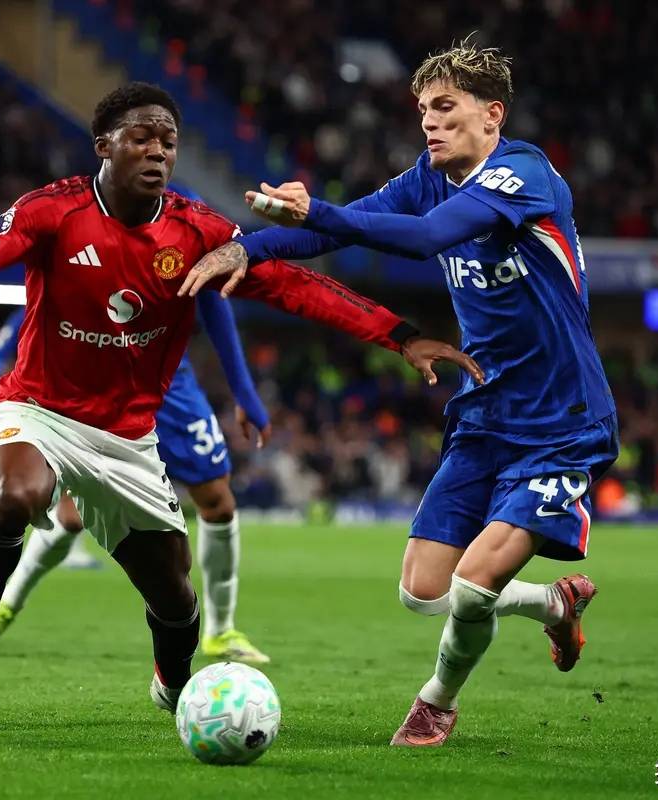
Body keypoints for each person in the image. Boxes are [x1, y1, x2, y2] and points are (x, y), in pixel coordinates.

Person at [0, 82, 482, 714]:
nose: (158, 151)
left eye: (168, 141)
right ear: (104, 145)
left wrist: (399, 335)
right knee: (13, 494)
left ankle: (174, 686)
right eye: (142, 138)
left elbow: (293, 286)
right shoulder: (52, 211)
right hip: (37, 410)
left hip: (128, 438)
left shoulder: (197, 231)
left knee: (173, 591)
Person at [180, 44, 619, 746]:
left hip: (561, 418)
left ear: (492, 114)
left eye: (445, 108)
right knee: (422, 590)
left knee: (473, 585)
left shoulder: (525, 174)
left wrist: (316, 211)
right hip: (485, 414)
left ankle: (435, 703)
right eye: (422, 111)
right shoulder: (427, 177)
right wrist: (247, 249)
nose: (429, 123)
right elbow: (334, 231)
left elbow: (424, 238)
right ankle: (553, 605)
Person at [0, 290, 274, 665]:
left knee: (218, 501)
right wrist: (4, 347)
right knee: (71, 514)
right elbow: (53, 290)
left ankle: (221, 630)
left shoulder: (185, 253)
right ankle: (6, 605)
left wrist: (244, 392)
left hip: (171, 385)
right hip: (98, 382)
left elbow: (214, 299)